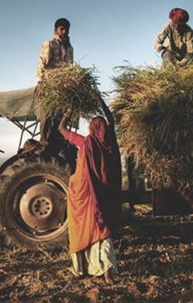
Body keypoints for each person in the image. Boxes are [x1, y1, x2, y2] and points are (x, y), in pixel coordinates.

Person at [58, 101, 122, 284]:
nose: (88, 127)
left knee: (82, 227)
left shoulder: (85, 142)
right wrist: (101, 102)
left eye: (90, 125)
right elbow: (110, 121)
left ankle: (82, 268)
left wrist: (69, 109)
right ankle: (107, 269)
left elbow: (61, 128)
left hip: (82, 192)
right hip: (101, 194)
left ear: (93, 128)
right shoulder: (110, 143)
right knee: (101, 228)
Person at [36, 18, 75, 152]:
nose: (64, 32)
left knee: (61, 116)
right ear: (56, 30)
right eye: (61, 29)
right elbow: (42, 63)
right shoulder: (50, 44)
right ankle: (44, 143)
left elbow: (70, 68)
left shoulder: (70, 48)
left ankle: (58, 143)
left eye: (66, 29)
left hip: (62, 88)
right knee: (47, 114)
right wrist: (40, 83)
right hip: (49, 85)